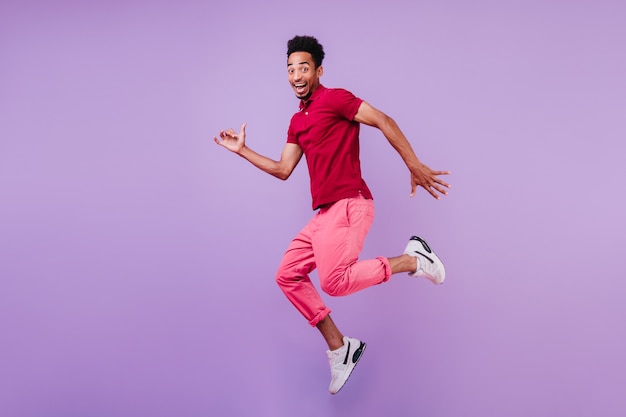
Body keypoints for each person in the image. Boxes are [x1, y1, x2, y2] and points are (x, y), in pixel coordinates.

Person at [214, 35, 451, 394]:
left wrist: (413, 163)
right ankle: (341, 348)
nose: (296, 74)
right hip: (325, 215)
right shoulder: (297, 121)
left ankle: (412, 259)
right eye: (291, 69)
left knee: (334, 282)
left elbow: (384, 120)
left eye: (303, 67)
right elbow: (283, 169)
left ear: (318, 70)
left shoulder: (336, 98)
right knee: (288, 275)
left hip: (350, 203)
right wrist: (242, 150)